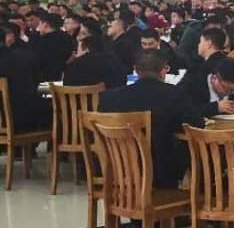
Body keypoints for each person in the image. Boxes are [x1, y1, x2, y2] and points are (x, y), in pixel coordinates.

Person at [99, 50, 203, 189]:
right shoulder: (175, 94)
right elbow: (196, 124)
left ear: (136, 70)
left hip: (120, 167)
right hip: (161, 173)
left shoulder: (109, 99)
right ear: (163, 71)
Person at [62, 34, 128, 89]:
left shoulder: (73, 66)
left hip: (77, 100)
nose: (75, 53)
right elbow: (123, 84)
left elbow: (66, 86)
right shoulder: (115, 62)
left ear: (86, 49)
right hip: (110, 100)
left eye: (77, 49)